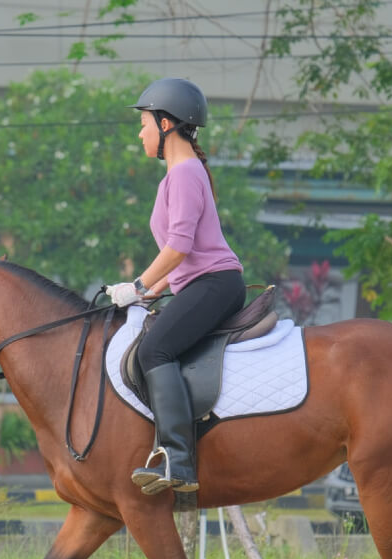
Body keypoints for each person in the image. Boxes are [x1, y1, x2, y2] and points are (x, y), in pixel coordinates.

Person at [108, 77, 246, 496]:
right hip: (202, 283)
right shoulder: (178, 176)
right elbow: (182, 255)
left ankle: (178, 458)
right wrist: (149, 291)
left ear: (166, 124)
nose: (141, 133)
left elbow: (179, 247)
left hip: (214, 284)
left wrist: (137, 284)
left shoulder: (184, 174)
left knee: (154, 350)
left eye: (144, 124)